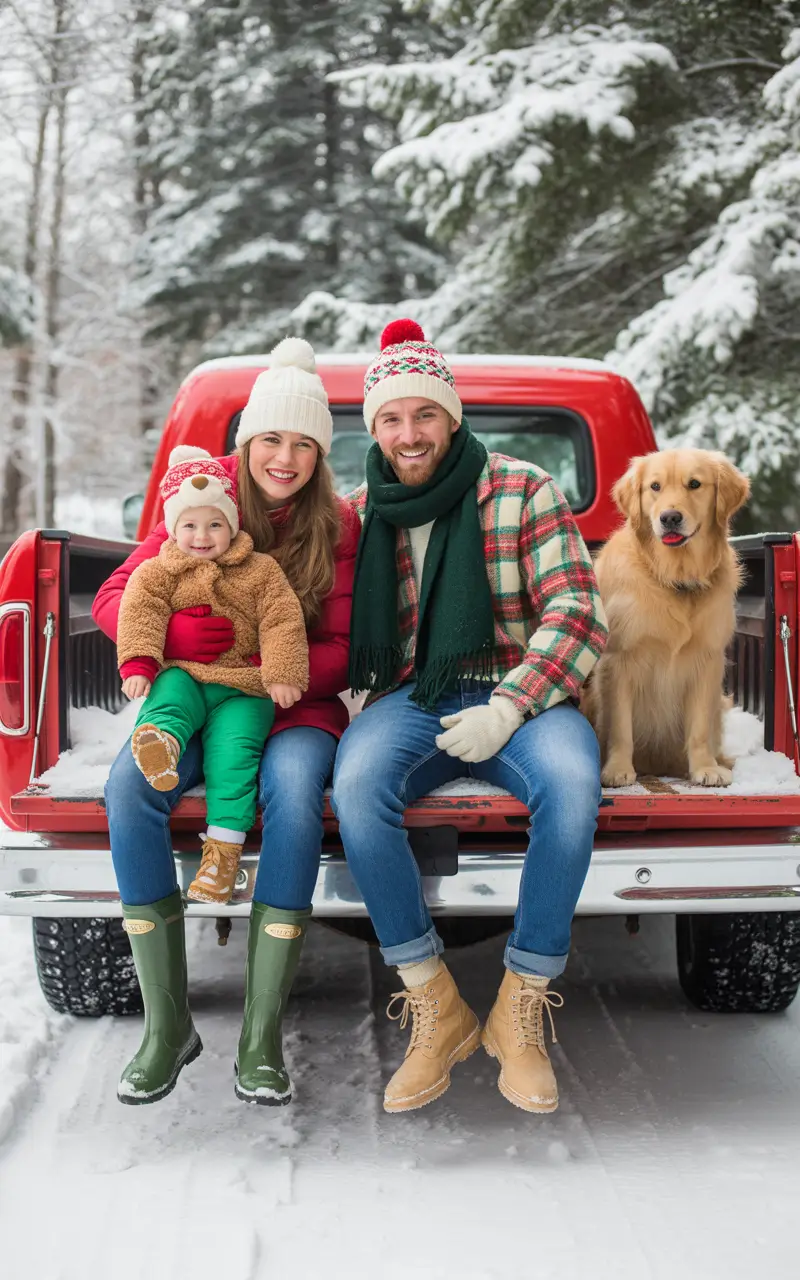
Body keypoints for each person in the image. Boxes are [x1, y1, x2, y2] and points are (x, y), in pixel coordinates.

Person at [332, 319, 608, 1115]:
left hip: (521, 692)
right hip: (412, 698)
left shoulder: (522, 489)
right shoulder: (361, 512)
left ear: (452, 417)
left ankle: (521, 1008)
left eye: (425, 413)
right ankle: (434, 1001)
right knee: (357, 790)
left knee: (572, 787)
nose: (409, 433)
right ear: (374, 429)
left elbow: (578, 612)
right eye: (391, 418)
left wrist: (509, 703)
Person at [93, 337, 361, 1107]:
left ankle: (260, 1036)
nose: (285, 458)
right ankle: (167, 1027)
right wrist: (173, 638)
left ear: (320, 453)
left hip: (293, 707)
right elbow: (119, 596)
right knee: (130, 789)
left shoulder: (338, 523)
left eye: (303, 444)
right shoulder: (202, 497)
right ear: (246, 443)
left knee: (294, 795)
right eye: (271, 438)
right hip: (193, 698)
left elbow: (346, 645)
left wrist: (274, 668)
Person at [116, 445, 309, 906]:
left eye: (215, 524)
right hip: (185, 672)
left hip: (244, 686)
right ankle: (160, 745)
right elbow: (139, 612)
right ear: (173, 527)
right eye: (189, 525)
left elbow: (282, 619)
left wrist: (282, 671)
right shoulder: (158, 571)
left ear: (233, 524)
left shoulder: (260, 570)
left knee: (235, 759)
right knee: (169, 699)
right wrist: (140, 662)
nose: (202, 536)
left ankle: (222, 859)